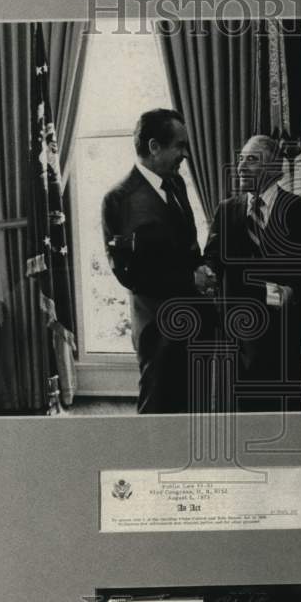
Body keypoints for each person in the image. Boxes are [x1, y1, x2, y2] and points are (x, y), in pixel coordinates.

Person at [102, 108, 216, 414]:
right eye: (179, 146)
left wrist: (202, 268)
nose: (185, 154)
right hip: (159, 332)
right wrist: (189, 279)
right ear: (154, 146)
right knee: (158, 416)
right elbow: (129, 274)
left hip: (195, 322)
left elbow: (187, 245)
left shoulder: (176, 184)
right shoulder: (119, 199)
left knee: (194, 413)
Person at [204, 135, 301, 413]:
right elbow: (212, 259)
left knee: (282, 412)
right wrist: (206, 272)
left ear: (273, 166)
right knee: (237, 415)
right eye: (240, 159)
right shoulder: (227, 210)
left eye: (251, 160)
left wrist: (292, 292)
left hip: (282, 334)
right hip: (236, 336)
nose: (240, 167)